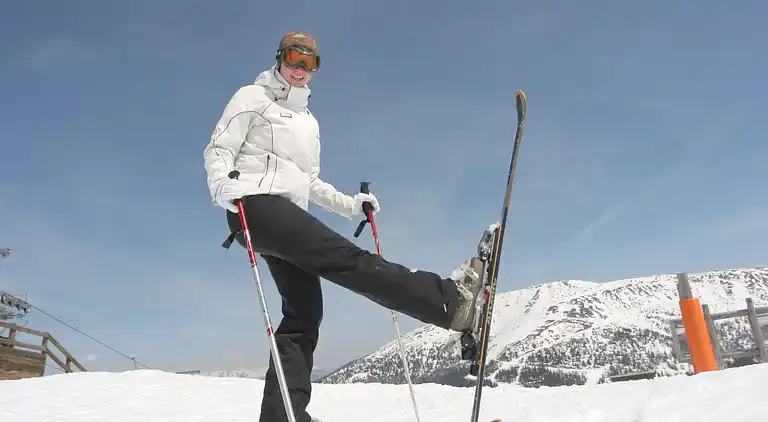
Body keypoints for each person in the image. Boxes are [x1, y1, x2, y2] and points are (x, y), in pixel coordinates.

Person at [203, 31, 485, 422]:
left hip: (286, 214)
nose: (299, 69)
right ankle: (451, 303)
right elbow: (219, 148)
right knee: (349, 261)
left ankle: (282, 417)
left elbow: (310, 183)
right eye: (293, 58)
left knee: (304, 314)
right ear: (279, 58)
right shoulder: (253, 97)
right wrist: (223, 188)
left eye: (309, 62)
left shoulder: (308, 122)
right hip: (254, 205)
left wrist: (351, 205)